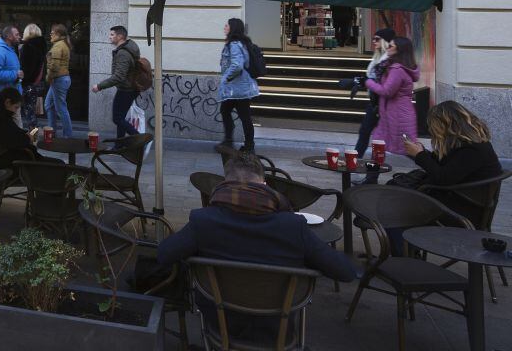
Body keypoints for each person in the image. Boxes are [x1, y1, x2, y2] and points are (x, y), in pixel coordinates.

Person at [155, 153, 355, 341]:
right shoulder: (293, 226)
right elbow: (346, 272)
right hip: (277, 329)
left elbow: (164, 255)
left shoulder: (204, 221)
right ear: (265, 185)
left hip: (221, 325)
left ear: (225, 184)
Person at [402, 101, 502, 221]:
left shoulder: (473, 150)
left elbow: (443, 178)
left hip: (461, 208)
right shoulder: (467, 144)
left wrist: (420, 155)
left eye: (434, 127)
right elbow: (448, 167)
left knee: (396, 205)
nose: (431, 131)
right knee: (397, 195)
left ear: (446, 126)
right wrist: (421, 152)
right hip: (459, 199)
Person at [364, 36, 420, 158]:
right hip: (392, 114)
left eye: (391, 46)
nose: (388, 48)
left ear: (399, 50)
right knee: (379, 144)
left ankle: (431, 170)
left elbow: (387, 91)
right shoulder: (397, 67)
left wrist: (368, 82)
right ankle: (371, 176)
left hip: (398, 115)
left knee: (408, 149)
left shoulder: (397, 70)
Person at [215, 19, 260, 153]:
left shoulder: (234, 44)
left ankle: (245, 145)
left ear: (233, 28)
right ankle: (234, 142)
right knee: (230, 112)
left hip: (237, 89)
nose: (224, 27)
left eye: (227, 25)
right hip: (238, 89)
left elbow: (237, 65)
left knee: (241, 115)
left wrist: (226, 78)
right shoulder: (240, 43)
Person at [0, 89, 49, 168]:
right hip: (11, 161)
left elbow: (11, 132)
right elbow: (14, 140)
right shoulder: (0, 118)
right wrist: (28, 137)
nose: (16, 111)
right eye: (16, 107)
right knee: (58, 164)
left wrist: (25, 133)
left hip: (2, 156)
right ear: (7, 102)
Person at [92, 25, 142, 141]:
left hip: (126, 90)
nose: (109, 37)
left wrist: (99, 86)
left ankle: (140, 138)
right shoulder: (127, 49)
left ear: (120, 36)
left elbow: (119, 76)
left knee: (117, 118)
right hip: (129, 88)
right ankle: (120, 144)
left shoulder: (123, 53)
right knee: (121, 118)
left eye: (112, 34)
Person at [351, 28, 395, 155]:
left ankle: (421, 158)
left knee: (395, 140)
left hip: (385, 105)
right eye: (373, 39)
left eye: (377, 39)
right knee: (365, 131)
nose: (374, 42)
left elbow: (384, 86)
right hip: (375, 103)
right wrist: (358, 82)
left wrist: (364, 82)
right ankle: (355, 158)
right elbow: (372, 79)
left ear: (385, 42)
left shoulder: (388, 62)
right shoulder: (378, 59)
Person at [44, 24, 73, 138]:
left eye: (53, 32)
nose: (50, 34)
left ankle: (68, 136)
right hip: (61, 79)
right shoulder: (62, 44)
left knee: (61, 109)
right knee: (49, 105)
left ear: (59, 34)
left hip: (58, 79)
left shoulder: (58, 46)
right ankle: (52, 131)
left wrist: (49, 77)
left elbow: (54, 66)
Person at [18, 24, 47, 129]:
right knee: (32, 111)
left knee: (25, 111)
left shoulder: (27, 47)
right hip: (38, 83)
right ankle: (33, 135)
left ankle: (30, 136)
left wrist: (21, 79)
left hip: (28, 83)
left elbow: (26, 68)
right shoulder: (42, 46)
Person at [0, 25, 23, 94]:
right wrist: (15, 74)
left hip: (9, 98)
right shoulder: (0, 52)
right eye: (17, 35)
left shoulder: (11, 50)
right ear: (9, 37)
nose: (19, 37)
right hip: (1, 99)